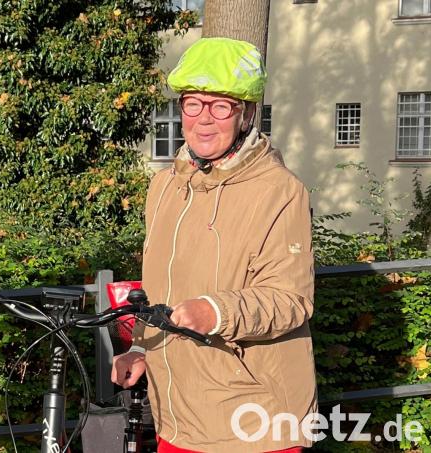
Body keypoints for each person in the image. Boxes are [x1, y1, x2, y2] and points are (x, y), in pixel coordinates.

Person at [111, 37, 317, 452]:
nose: (205, 118)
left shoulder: (280, 191)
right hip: (176, 413)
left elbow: (291, 299)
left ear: (246, 114)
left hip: (251, 419)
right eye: (193, 103)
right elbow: (160, 289)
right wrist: (141, 349)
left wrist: (216, 311)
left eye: (221, 105)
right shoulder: (165, 186)